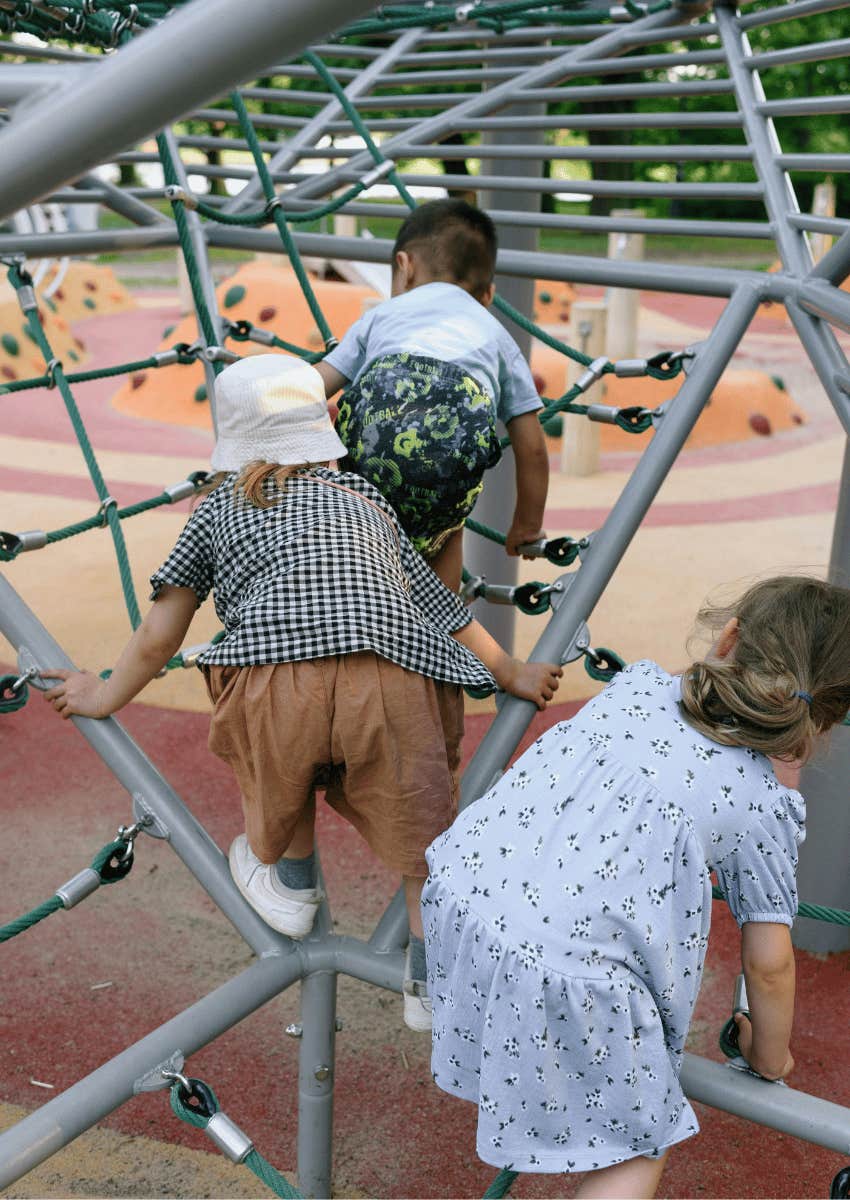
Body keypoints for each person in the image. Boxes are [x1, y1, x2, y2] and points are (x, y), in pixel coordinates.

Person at [42, 353, 562, 1032]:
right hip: (395, 679)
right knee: (423, 835)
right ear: (323, 427)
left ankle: (288, 877)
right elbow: (441, 604)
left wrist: (105, 692)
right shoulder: (366, 500)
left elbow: (161, 632)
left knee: (270, 741)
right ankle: (432, 984)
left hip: (279, 688)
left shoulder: (216, 508)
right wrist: (511, 671)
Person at [422, 575, 850, 1197]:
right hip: (565, 965)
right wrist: (771, 1058)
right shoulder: (761, 802)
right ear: (825, 720)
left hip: (460, 893)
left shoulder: (638, 686)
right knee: (638, 1145)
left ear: (728, 638)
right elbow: (770, 964)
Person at [315, 198, 550, 591]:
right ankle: (437, 618)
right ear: (488, 294)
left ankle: (345, 585)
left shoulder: (382, 315)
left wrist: (271, 397)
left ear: (404, 268)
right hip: (454, 446)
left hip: (374, 440)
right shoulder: (497, 336)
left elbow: (318, 383)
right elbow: (533, 448)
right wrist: (527, 525)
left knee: (339, 465)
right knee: (449, 525)